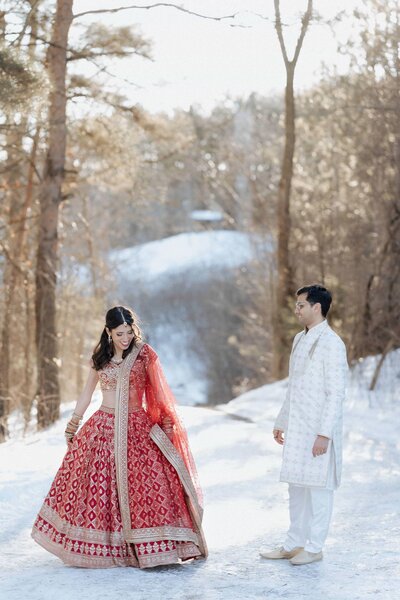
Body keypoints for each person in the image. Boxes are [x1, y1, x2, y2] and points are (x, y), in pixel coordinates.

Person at [32, 306, 207, 568]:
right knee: (97, 488)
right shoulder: (100, 357)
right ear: (108, 332)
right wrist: (73, 423)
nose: (126, 339)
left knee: (147, 485)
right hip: (102, 427)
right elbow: (87, 393)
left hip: (137, 427)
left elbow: (159, 395)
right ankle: (101, 547)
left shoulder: (144, 355)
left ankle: (152, 547)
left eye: (129, 332)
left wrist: (167, 425)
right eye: (119, 334)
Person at [260, 284, 348, 565]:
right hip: (297, 427)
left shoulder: (333, 344)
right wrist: (281, 420)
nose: (296, 309)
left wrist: (324, 434)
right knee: (296, 488)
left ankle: (314, 546)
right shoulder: (299, 339)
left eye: (301, 305)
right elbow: (293, 386)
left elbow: (336, 393)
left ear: (316, 307)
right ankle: (294, 543)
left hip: (318, 430)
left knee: (319, 490)